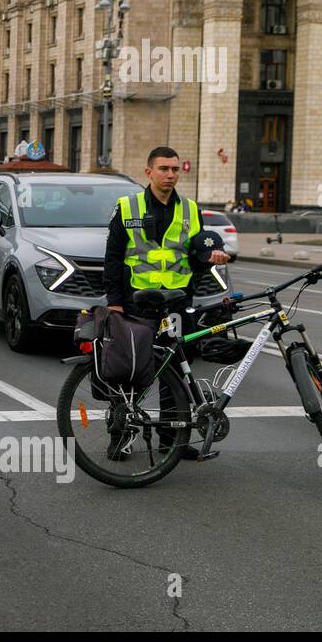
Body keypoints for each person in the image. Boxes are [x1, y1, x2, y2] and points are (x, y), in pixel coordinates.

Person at [103, 146, 231, 461]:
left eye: (175, 169)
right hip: (136, 304)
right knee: (130, 370)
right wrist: (115, 302)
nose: (170, 175)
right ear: (149, 172)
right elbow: (113, 258)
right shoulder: (127, 207)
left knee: (174, 370)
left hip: (174, 305)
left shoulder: (190, 209)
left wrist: (210, 259)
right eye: (163, 169)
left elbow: (196, 259)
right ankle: (121, 437)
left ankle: (173, 438)